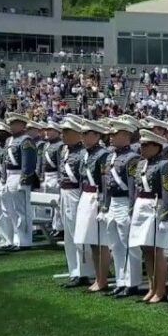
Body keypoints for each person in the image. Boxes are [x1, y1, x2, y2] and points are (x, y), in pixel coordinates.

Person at [99, 117, 143, 298]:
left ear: (125, 135)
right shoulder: (111, 156)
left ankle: (131, 283)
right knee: (115, 244)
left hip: (125, 202)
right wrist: (105, 206)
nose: (110, 137)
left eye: (115, 134)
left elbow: (133, 187)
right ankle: (120, 280)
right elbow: (107, 184)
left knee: (128, 244)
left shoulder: (132, 158)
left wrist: (132, 207)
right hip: (114, 203)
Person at [128, 129, 168, 304]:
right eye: (141, 144)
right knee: (145, 248)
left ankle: (161, 289)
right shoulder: (141, 164)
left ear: (156, 146)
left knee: (156, 250)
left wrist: (165, 213)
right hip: (142, 205)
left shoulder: (164, 165)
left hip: (156, 205)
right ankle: (152, 286)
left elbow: (167, 191)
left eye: (146, 145)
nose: (142, 148)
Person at [74, 120, 112, 293]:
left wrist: (104, 203)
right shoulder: (86, 153)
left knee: (100, 241)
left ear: (97, 135)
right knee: (91, 241)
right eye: (82, 134)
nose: (82, 137)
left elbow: (104, 181)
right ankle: (98, 277)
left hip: (96, 197)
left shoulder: (103, 154)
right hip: (86, 196)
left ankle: (102, 279)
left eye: (86, 134)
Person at [57, 119, 93, 287]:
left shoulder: (82, 153)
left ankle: (84, 271)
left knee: (79, 234)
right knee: (69, 235)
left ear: (76, 134)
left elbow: (83, 179)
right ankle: (74, 270)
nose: (63, 135)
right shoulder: (64, 151)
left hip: (76, 193)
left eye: (66, 132)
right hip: (65, 192)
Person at [0, 113, 37, 251]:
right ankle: (15, 239)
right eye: (10, 124)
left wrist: (25, 179)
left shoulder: (26, 140)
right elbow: (5, 161)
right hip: (9, 176)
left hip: (18, 175)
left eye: (14, 123)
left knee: (22, 211)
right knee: (11, 210)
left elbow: (28, 162)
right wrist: (3, 177)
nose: (11, 126)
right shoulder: (9, 140)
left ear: (22, 125)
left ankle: (25, 241)